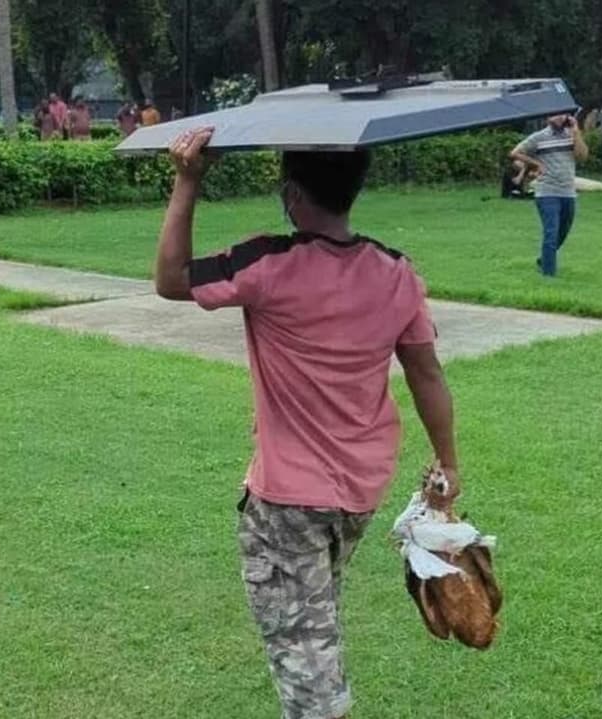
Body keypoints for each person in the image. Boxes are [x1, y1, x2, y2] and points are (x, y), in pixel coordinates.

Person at [154, 127, 459, 719]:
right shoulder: (397, 272)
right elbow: (426, 372)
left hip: (288, 500)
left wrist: (188, 180)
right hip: (360, 492)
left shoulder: (270, 261)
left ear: (292, 192)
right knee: (315, 614)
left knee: (302, 648)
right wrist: (448, 463)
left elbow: (170, 280)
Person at [510, 114, 589, 277]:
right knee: (551, 232)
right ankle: (548, 273)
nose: (559, 118)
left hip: (568, 192)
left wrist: (576, 132)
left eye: (563, 114)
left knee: (563, 231)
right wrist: (536, 163)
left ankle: (543, 259)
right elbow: (515, 153)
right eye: (555, 115)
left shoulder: (571, 135)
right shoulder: (539, 137)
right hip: (547, 192)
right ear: (548, 118)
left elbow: (582, 156)